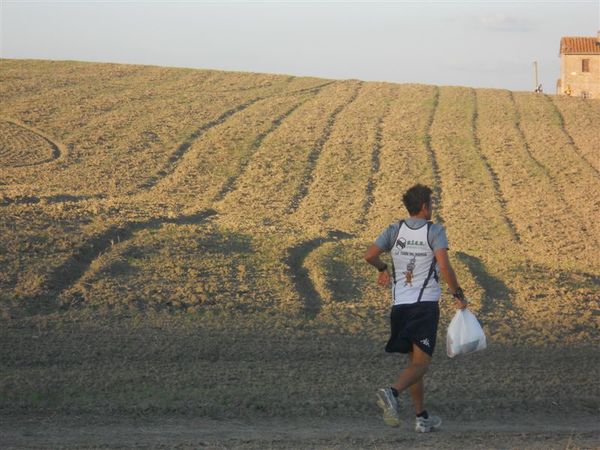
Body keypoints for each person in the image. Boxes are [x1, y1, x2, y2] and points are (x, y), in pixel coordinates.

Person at [364, 184, 468, 433]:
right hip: (424, 307)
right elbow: (444, 267)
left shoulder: (394, 230)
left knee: (414, 362)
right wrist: (458, 294)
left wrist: (382, 269)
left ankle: (422, 417)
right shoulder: (435, 231)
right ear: (424, 207)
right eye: (431, 203)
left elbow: (369, 255)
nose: (432, 207)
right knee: (423, 364)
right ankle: (391, 393)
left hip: (400, 307)